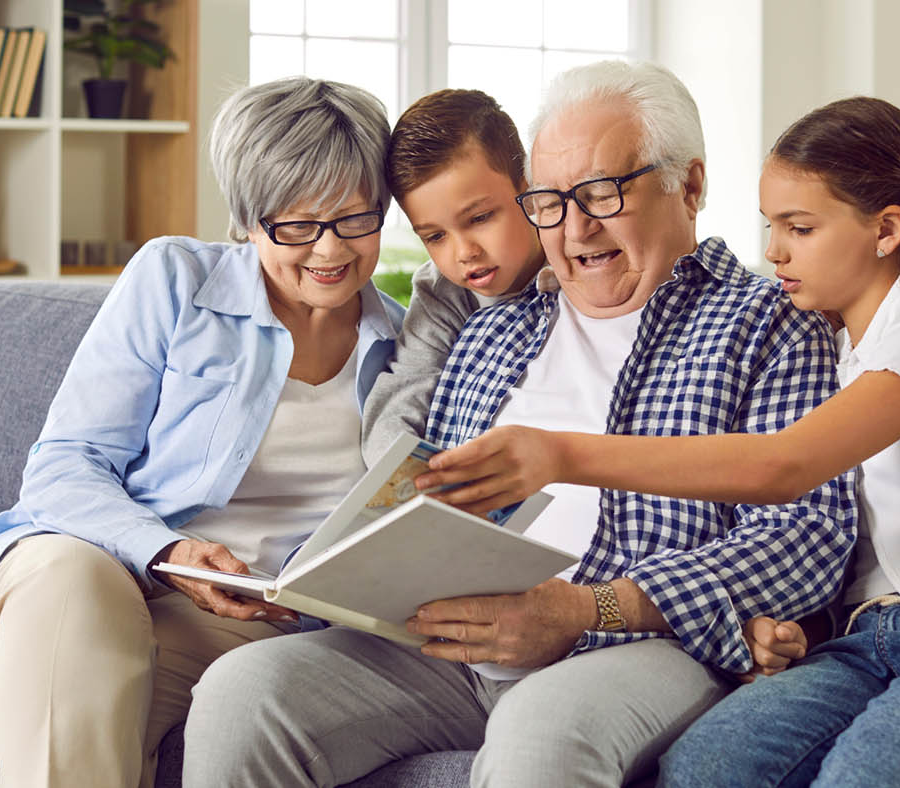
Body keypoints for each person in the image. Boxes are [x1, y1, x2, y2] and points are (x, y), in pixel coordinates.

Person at [180, 61, 858, 788]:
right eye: (551, 201)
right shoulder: (493, 330)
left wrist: (583, 608)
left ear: (688, 186)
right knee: (243, 692)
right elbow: (422, 488)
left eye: (602, 192)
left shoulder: (772, 323)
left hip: (635, 644)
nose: (575, 227)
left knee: (541, 734)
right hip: (451, 639)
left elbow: (810, 534)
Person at [419, 96, 900, 787]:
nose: (773, 250)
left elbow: (784, 466)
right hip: (867, 638)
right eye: (770, 225)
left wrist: (562, 452)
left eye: (800, 228)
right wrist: (797, 632)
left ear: (885, 230)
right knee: (706, 766)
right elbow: (847, 540)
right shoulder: (834, 345)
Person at [0, 76, 405, 788]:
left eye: (356, 220)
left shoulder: (405, 346)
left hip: (251, 623)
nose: (330, 250)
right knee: (80, 590)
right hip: (81, 570)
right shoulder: (175, 280)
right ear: (250, 218)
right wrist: (167, 552)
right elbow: (64, 466)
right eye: (297, 225)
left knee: (98, 721)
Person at [360, 88, 547, 465]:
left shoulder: (580, 264)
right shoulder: (441, 291)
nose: (464, 253)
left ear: (530, 191)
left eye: (479, 218)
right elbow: (402, 395)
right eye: (435, 236)